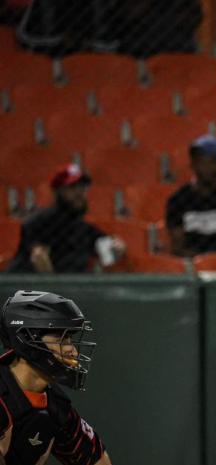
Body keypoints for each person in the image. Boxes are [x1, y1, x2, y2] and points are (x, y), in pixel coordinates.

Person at [0, 290, 111, 464]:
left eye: (69, 339)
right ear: (27, 338)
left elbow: (99, 461)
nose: (72, 350)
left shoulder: (55, 407)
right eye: (60, 338)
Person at [7, 164, 126, 273]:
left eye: (82, 187)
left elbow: (106, 245)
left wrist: (117, 246)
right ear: (58, 191)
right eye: (73, 187)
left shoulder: (81, 227)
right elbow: (34, 260)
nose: (79, 192)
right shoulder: (38, 223)